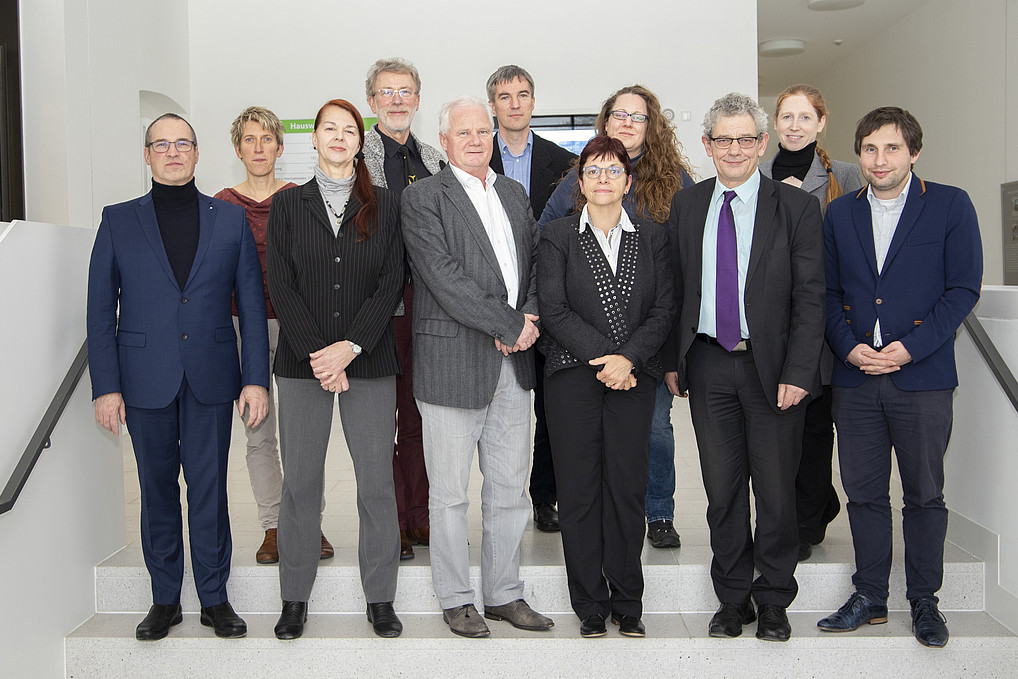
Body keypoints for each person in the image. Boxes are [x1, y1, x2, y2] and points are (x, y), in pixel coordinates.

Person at [87, 113, 269, 641]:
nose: (172, 152)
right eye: (161, 144)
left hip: (213, 376)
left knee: (210, 489)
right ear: (147, 156)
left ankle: (214, 597)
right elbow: (101, 311)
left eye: (182, 143)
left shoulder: (229, 220)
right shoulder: (118, 220)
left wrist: (254, 378)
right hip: (143, 379)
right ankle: (165, 597)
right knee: (157, 489)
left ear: (196, 153)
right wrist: (106, 386)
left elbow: (252, 309)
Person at [817, 107, 982, 648]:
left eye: (891, 149)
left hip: (923, 377)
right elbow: (828, 294)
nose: (879, 160)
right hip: (857, 376)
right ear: (858, 155)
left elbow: (961, 290)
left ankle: (924, 600)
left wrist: (908, 349)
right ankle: (870, 596)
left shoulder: (951, 205)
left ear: (913, 152)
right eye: (869, 149)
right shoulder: (839, 215)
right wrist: (852, 348)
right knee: (863, 494)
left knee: (925, 494)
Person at [664, 92, 825, 642]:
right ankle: (733, 598)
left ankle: (774, 598)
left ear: (762, 144)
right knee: (722, 490)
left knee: (777, 491)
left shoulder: (798, 207)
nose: (734, 148)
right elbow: (675, 290)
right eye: (723, 138)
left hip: (773, 367)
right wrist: (673, 361)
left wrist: (800, 372)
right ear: (707, 146)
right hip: (709, 364)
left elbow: (811, 297)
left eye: (746, 138)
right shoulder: (687, 206)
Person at [401, 95, 553, 639]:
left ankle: (504, 593)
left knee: (510, 489)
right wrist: (508, 324)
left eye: (482, 132)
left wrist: (530, 314)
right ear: (443, 141)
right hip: (450, 363)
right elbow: (443, 279)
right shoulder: (422, 200)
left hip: (513, 367)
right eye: (461, 133)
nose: (473, 140)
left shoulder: (513, 193)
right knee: (448, 494)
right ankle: (455, 597)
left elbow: (535, 262)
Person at [266, 99, 404, 640]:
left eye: (350, 130)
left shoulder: (386, 205)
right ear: (315, 140)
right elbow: (282, 284)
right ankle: (294, 596)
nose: (340, 138)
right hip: (303, 365)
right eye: (331, 129)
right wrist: (320, 355)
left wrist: (349, 347)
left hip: (369, 362)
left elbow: (391, 281)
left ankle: (382, 598)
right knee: (301, 482)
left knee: (375, 483)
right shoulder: (287, 206)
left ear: (359, 141)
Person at [540, 84, 694, 550]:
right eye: (618, 114)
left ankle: (660, 513)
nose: (627, 122)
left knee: (655, 428)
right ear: (605, 121)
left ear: (652, 126)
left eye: (638, 116)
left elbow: (683, 263)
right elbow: (545, 234)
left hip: (651, 335)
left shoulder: (676, 179)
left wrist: (636, 354)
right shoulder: (578, 176)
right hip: (583, 341)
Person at [538, 135, 674, 638]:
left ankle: (628, 600)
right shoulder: (556, 236)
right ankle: (590, 604)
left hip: (634, 377)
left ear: (628, 181)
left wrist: (628, 359)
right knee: (578, 491)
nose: (603, 180)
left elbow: (664, 309)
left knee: (626, 487)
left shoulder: (654, 237)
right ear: (580, 183)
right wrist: (606, 358)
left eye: (613, 171)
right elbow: (553, 309)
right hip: (573, 376)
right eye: (593, 171)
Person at [214, 105, 333, 565]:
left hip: (299, 326)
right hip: (243, 330)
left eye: (266, 139)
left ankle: (308, 522)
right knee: (259, 433)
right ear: (238, 148)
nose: (258, 147)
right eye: (249, 139)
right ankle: (272, 526)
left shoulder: (302, 198)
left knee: (305, 434)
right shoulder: (222, 205)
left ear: (281, 147)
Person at [759, 84, 864, 561]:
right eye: (787, 117)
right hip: (765, 322)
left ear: (821, 123)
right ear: (774, 124)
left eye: (805, 117)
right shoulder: (755, 172)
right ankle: (810, 507)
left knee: (816, 426)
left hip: (821, 321)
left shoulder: (844, 175)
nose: (795, 126)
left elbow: (855, 247)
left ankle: (805, 520)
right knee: (779, 429)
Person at [486, 64, 577, 533]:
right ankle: (500, 500)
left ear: (533, 101)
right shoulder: (475, 158)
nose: (515, 103)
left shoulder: (564, 161)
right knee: (501, 408)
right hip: (493, 305)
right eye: (505, 96)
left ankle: (545, 497)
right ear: (494, 105)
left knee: (550, 409)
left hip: (552, 297)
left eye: (523, 94)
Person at [363, 57, 444, 560]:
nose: (397, 100)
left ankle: (421, 516)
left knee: (419, 416)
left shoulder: (435, 160)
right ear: (372, 101)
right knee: (378, 419)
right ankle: (390, 520)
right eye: (387, 92)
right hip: (376, 307)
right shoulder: (355, 159)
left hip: (427, 307)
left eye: (406, 91)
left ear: (417, 99)